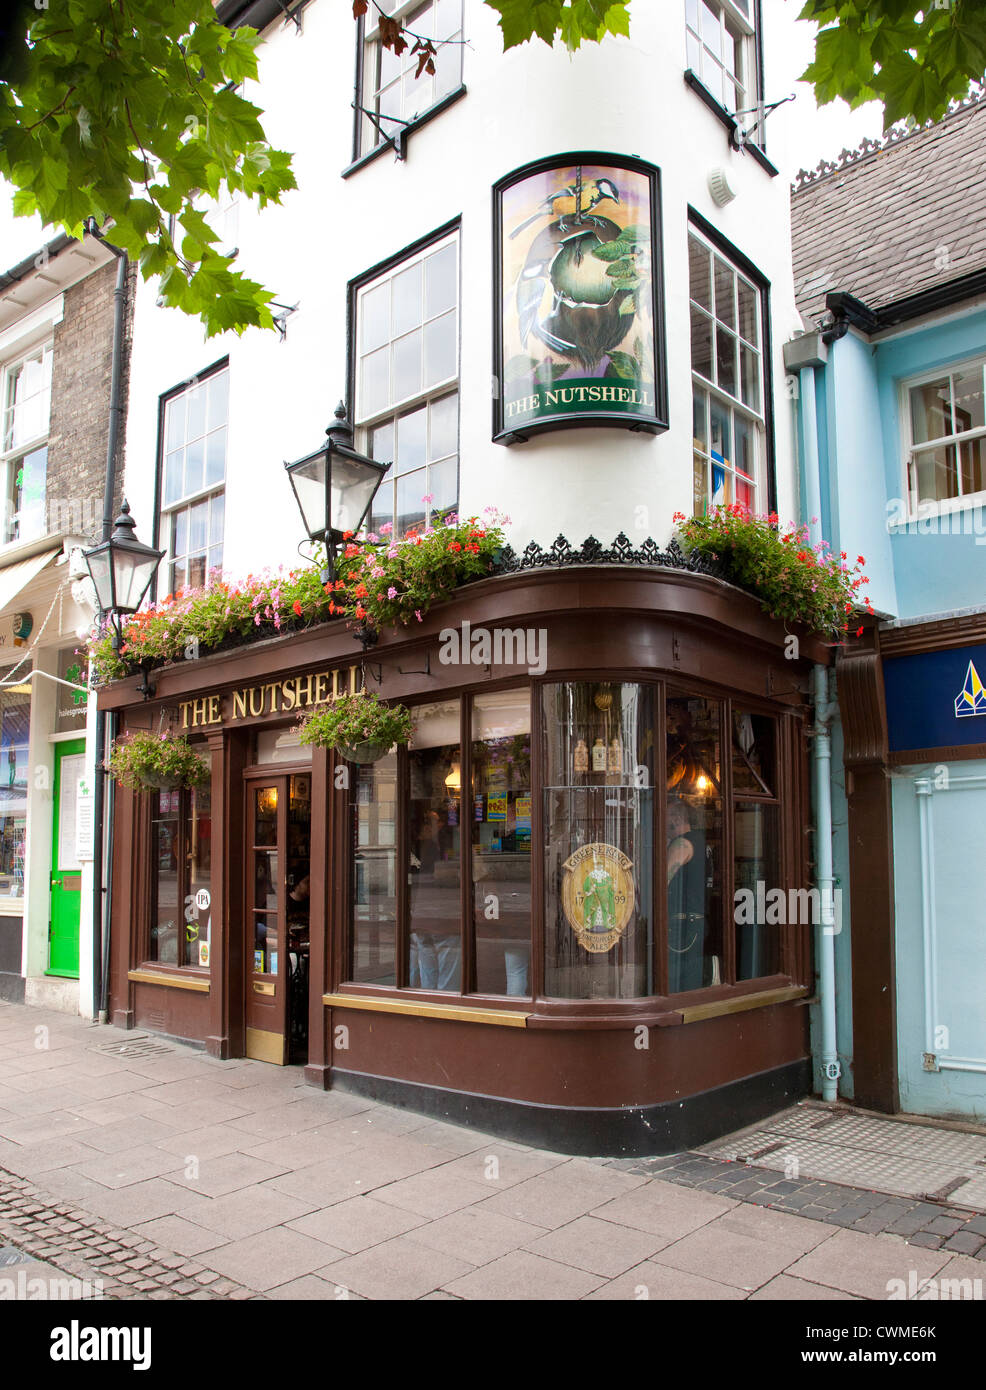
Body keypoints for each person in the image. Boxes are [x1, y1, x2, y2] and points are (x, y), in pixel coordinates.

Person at [666, 797, 706, 993]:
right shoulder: (699, 841)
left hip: (682, 926)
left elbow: (660, 882)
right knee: (691, 985)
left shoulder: (681, 845)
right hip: (696, 923)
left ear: (676, 818)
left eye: (664, 815)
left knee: (676, 985)